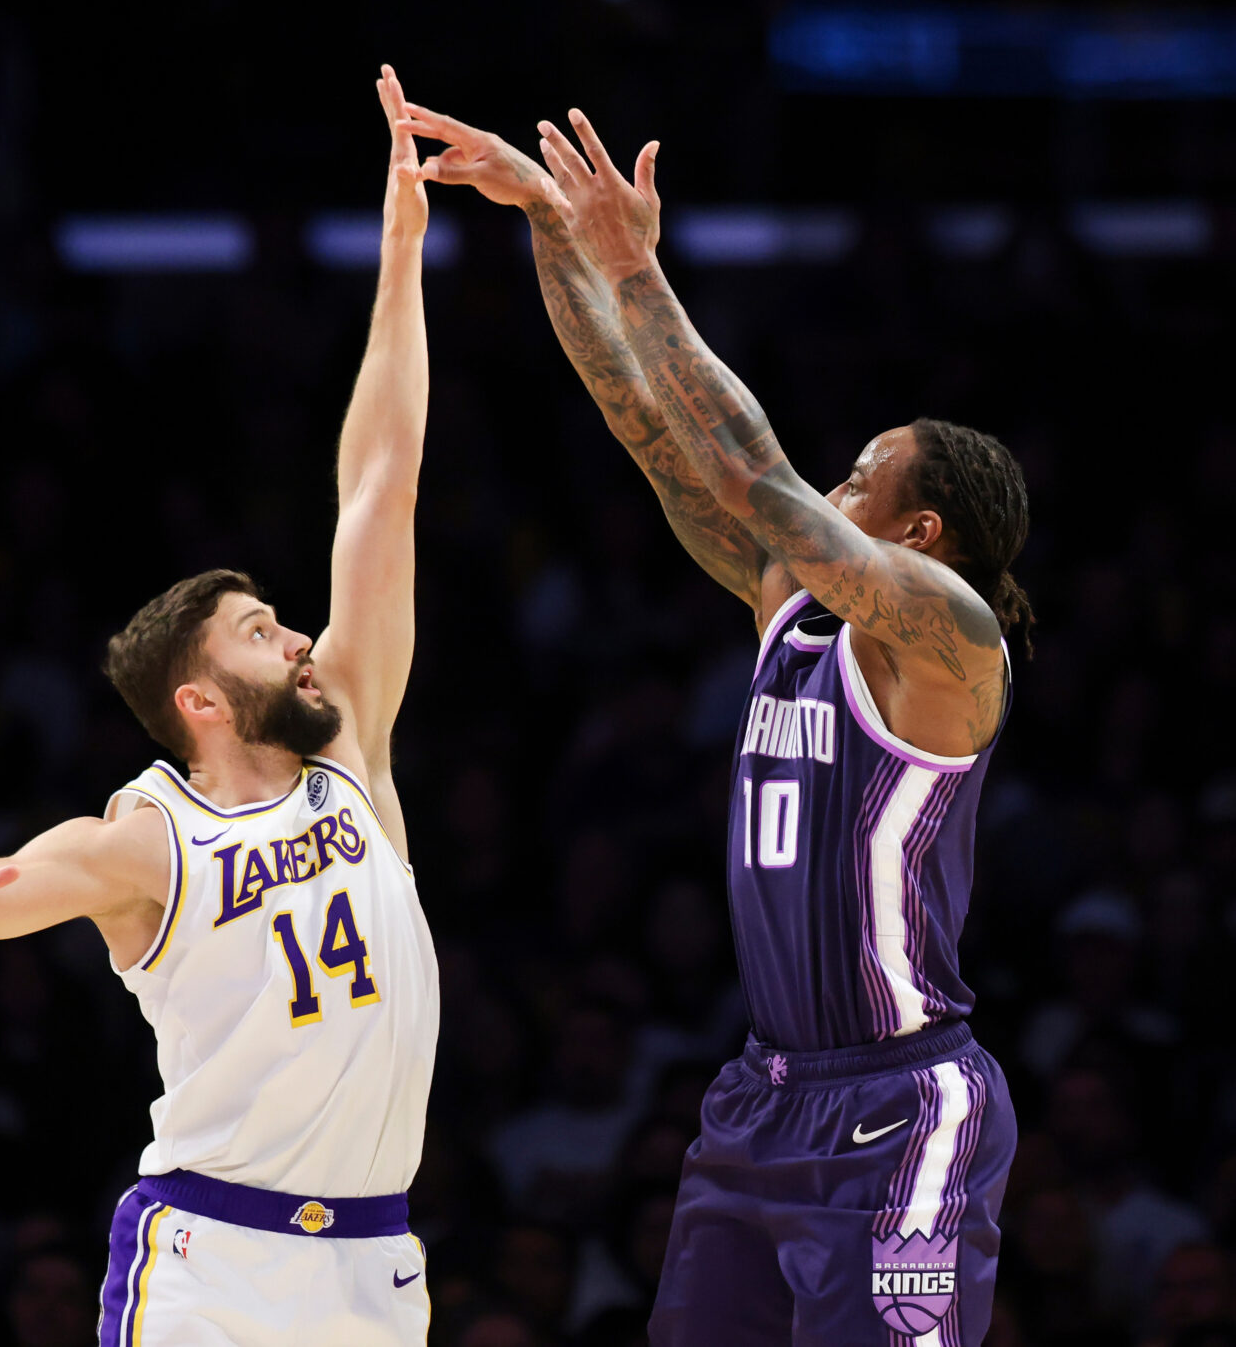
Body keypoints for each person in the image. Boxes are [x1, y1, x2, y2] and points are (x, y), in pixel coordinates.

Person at [395, 96, 1032, 1345]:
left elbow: (759, 477)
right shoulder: (789, 609)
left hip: (903, 1102)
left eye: (865, 473)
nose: (835, 480)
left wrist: (638, 267)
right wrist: (551, 232)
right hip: (761, 1095)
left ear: (921, 532)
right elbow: (652, 428)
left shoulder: (950, 645)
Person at [0, 67, 442, 1346]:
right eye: (260, 631)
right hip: (214, 1258)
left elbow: (379, 483)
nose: (298, 637)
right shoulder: (142, 839)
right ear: (200, 698)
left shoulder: (352, 743)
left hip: (378, 1263)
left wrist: (402, 255)